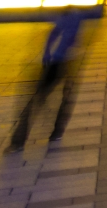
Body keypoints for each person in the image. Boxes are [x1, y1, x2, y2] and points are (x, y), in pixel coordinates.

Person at [9, 10, 83, 151]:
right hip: (63, 62)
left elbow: (58, 35)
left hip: (57, 63)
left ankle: (19, 141)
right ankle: (55, 133)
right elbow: (65, 37)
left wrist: (48, 55)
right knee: (63, 99)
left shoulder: (71, 16)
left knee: (38, 99)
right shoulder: (74, 16)